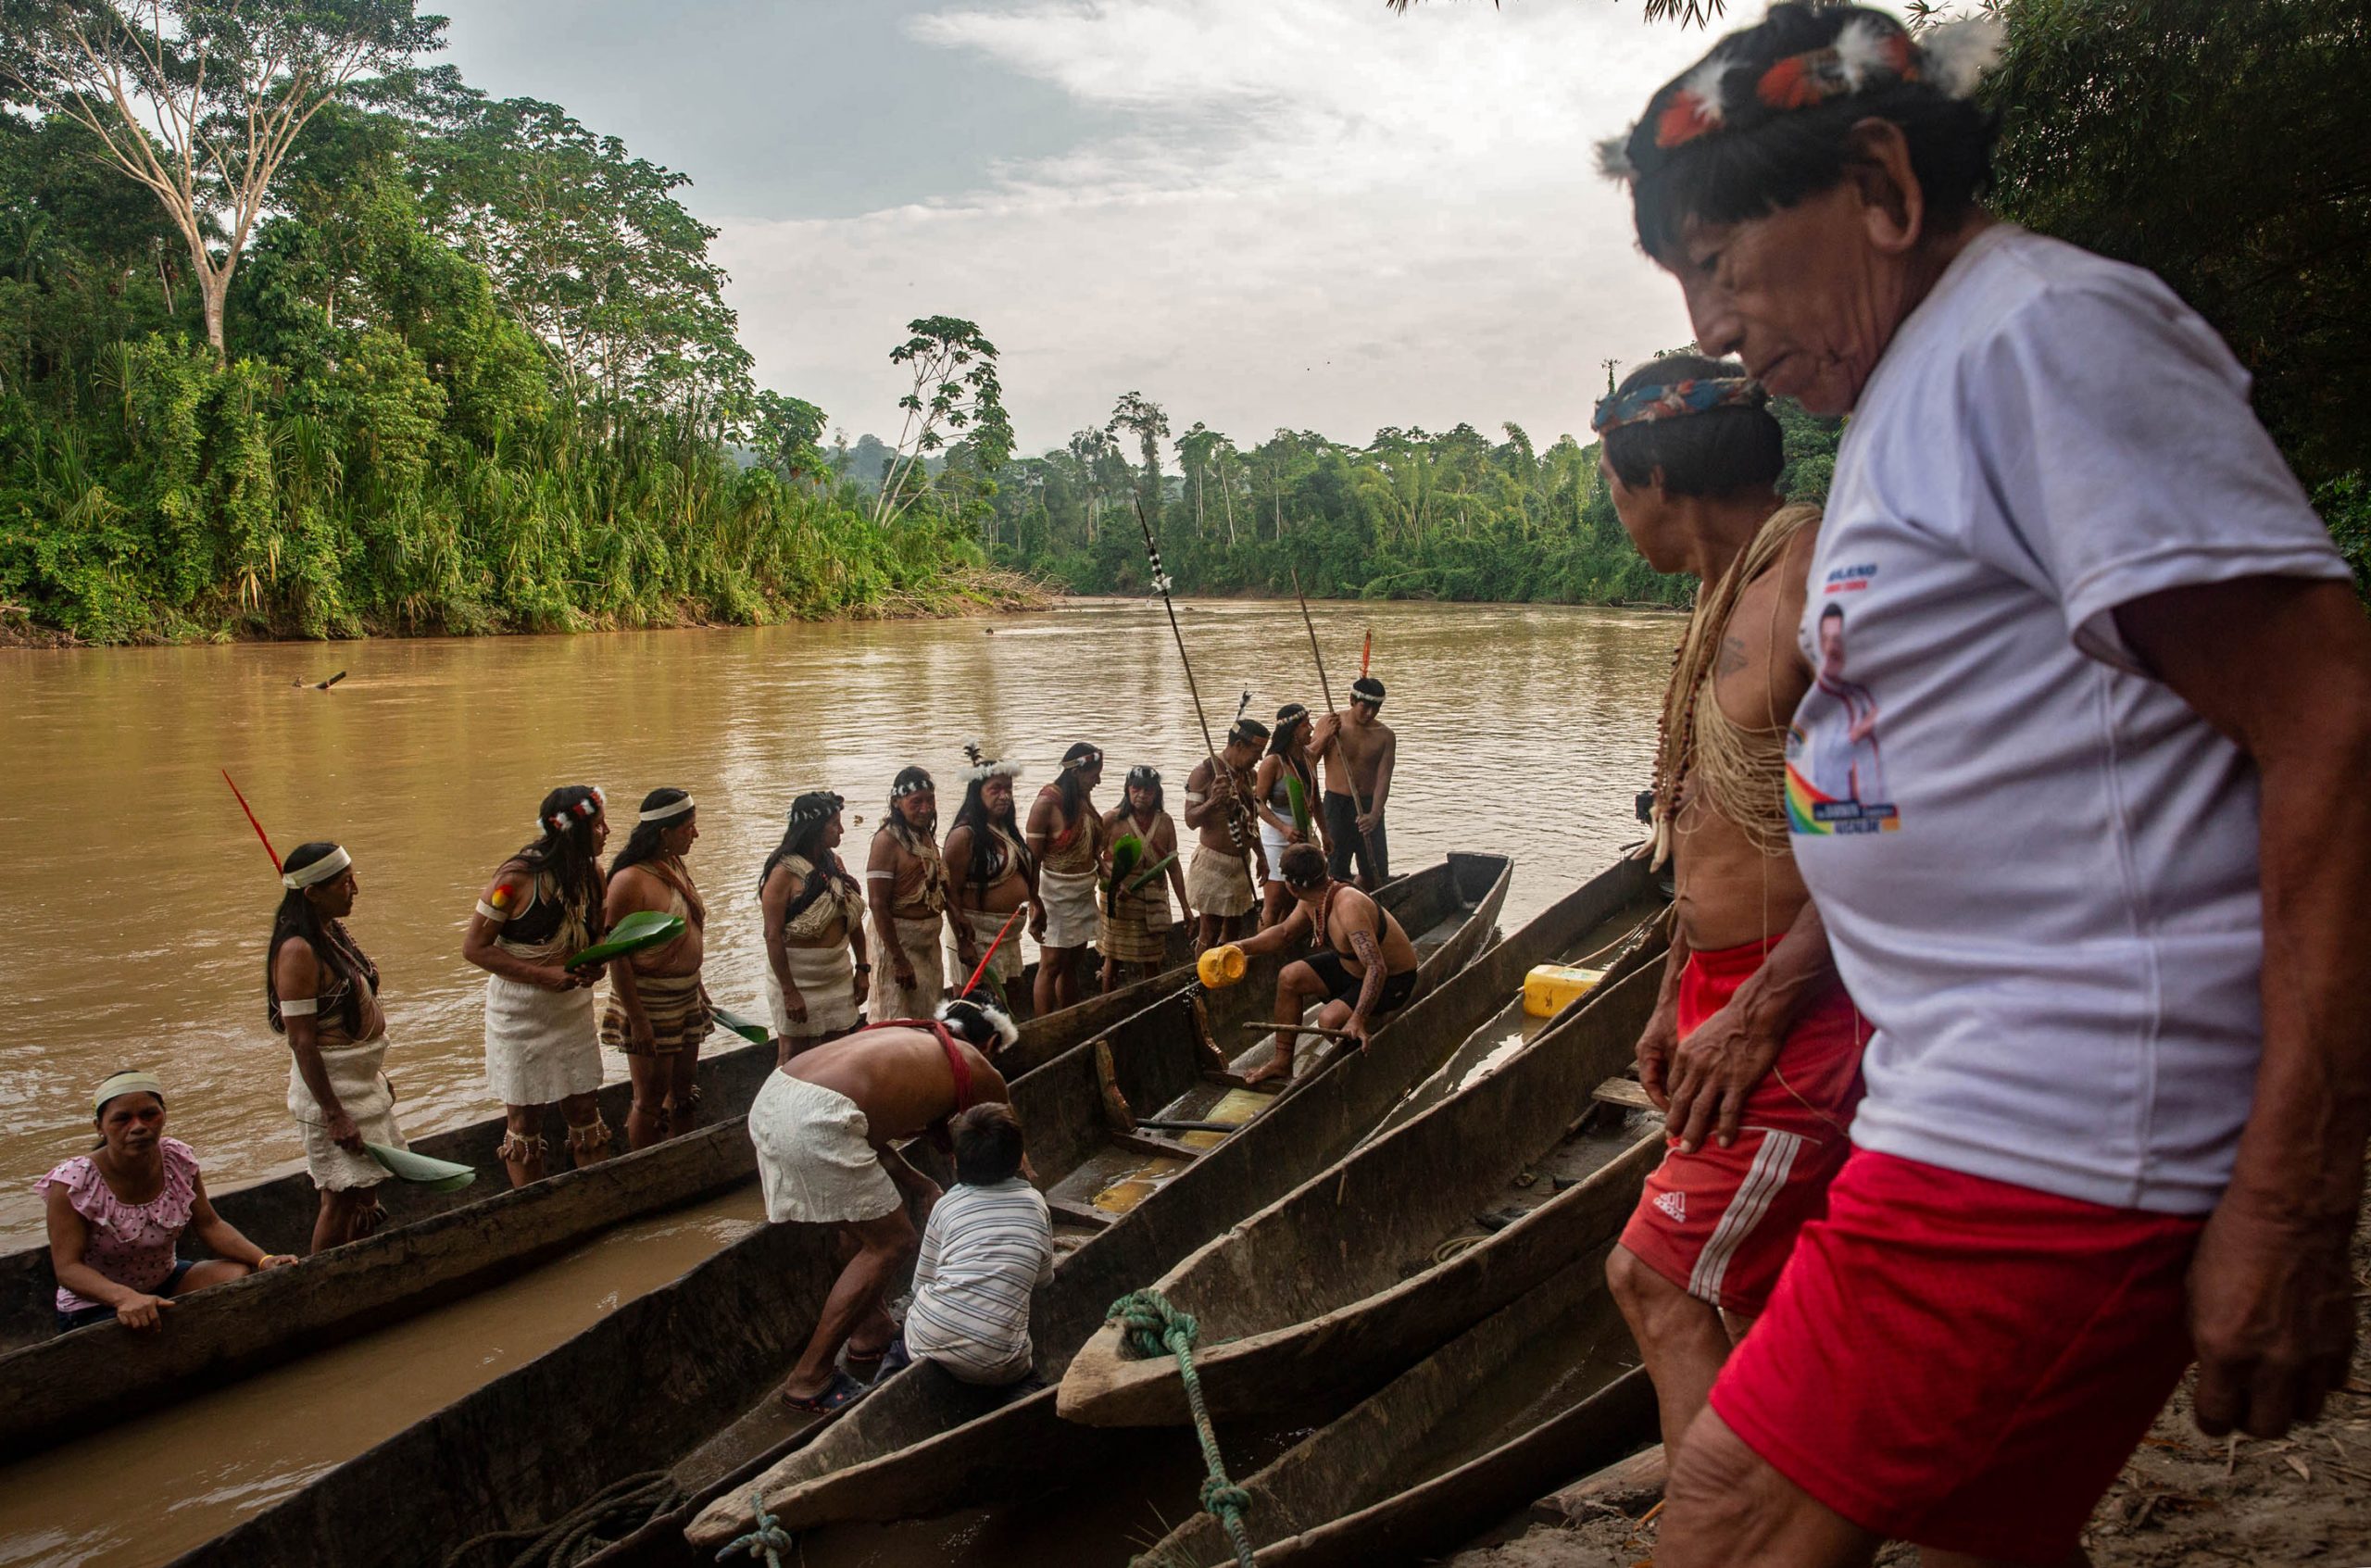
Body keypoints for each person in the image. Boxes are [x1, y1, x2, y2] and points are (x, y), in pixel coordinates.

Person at [1599, 9, 2371, 1565]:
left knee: (1725, 1520)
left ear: (1884, 185)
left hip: (2056, 1126)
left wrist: (2298, 1190)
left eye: (1722, 263)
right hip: (1969, 1097)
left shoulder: (2041, 340)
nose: (1715, 326)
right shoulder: (1916, 390)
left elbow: (2330, 719)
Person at [1587, 354, 1867, 1470]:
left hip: (1801, 1000)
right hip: (1723, 987)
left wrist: (1755, 1011)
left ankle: (1718, 1529)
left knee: (1652, 1278)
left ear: (1656, 480)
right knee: (1761, 1291)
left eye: (1614, 489)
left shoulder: (1811, 591)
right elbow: (1706, 821)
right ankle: (1789, 1500)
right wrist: (1674, 989)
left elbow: (1882, 845)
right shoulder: (1718, 598)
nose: (1618, 516)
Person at [746, 992, 1020, 1411]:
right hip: (817, 1119)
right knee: (892, 1242)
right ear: (991, 1044)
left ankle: (870, 1331)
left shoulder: (907, 1036)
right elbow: (1012, 1156)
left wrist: (922, 1185)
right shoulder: (979, 1068)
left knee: (860, 1227)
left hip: (774, 1099)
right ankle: (809, 1378)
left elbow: (865, 1132)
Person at [41, 1072, 295, 1333]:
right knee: (145, 1327)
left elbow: (209, 1224)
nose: (138, 1126)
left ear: (164, 1114)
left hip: (165, 1279)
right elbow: (68, 1268)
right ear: (99, 1127)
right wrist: (124, 1298)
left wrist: (263, 1259)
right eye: (122, 1119)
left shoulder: (176, 1158)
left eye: (149, 1114)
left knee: (237, 1275)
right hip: (96, 1304)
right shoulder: (75, 1182)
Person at [462, 784, 613, 1186]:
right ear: (573, 832)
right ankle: (534, 1204)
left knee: (585, 1110)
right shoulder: (512, 881)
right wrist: (544, 975)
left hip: (571, 1009)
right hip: (519, 1012)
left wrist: (597, 962)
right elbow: (474, 948)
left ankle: (597, 1197)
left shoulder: (594, 875)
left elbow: (599, 933)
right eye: (599, 825)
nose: (607, 832)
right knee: (525, 1120)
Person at [265, 839, 409, 1253]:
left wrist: (374, 1076)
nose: (355, 889)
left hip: (359, 1082)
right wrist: (334, 1114)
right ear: (313, 893)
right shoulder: (297, 950)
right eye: (345, 882)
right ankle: (323, 1278)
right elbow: (301, 1040)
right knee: (340, 1196)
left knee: (365, 1193)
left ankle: (356, 1265)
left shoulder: (330, 932)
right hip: (332, 1092)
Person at [890, 1102, 1053, 1389]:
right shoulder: (1036, 1205)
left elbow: (921, 1285)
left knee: (898, 1348)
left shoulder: (946, 1206)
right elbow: (1043, 1279)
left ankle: (887, 1382)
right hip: (1000, 1363)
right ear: (1019, 1161)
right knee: (1026, 1376)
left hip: (928, 1339)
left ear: (955, 1161)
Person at [1235, 844, 1420, 1086]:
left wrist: (1358, 1018)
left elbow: (1377, 968)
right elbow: (1284, 933)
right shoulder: (1313, 897)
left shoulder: (1348, 906)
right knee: (1290, 977)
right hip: (1351, 968)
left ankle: (1367, 1066)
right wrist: (1240, 947)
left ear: (1291, 886)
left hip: (1393, 980)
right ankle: (1281, 1062)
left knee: (1329, 1021)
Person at [600, 789, 712, 1150]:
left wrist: (699, 988)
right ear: (664, 833)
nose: (695, 834)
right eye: (688, 828)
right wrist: (638, 1019)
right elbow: (618, 956)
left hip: (685, 995)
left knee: (683, 1090)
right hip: (649, 1001)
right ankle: (648, 1166)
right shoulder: (629, 880)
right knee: (649, 1097)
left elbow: (688, 931)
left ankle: (684, 1155)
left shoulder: (674, 865)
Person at [760, 791, 871, 1063]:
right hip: (799, 980)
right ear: (814, 829)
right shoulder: (782, 873)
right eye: (835, 824)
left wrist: (863, 968)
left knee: (838, 1053)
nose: (841, 830)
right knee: (792, 1055)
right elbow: (772, 936)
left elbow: (852, 919)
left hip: (836, 975)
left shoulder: (834, 863)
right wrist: (789, 992)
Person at [944, 746, 1036, 1015]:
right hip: (977, 938)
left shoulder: (1005, 829)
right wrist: (964, 942)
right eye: (995, 789)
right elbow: (950, 893)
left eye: (1008, 789)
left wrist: (1036, 905)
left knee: (1010, 999)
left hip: (1008, 936)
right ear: (978, 792)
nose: (1004, 796)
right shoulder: (964, 835)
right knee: (977, 1009)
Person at [867, 767, 950, 1025]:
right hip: (898, 945)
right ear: (897, 802)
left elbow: (939, 886)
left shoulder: (923, 835)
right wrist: (899, 960)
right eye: (916, 802)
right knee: (895, 1019)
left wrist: (958, 919)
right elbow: (877, 904)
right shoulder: (886, 841)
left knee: (928, 1014)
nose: (926, 809)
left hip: (928, 944)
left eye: (930, 801)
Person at [1026, 743, 1106, 1016]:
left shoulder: (1082, 798)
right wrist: (1035, 904)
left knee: (1073, 962)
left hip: (1082, 892)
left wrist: (1102, 867)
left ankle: (1070, 1018)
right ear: (1076, 773)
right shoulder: (1046, 804)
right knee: (1051, 965)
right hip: (1055, 895)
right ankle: (1045, 1025)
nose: (1098, 781)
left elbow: (1090, 846)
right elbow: (1032, 862)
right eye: (1094, 775)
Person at [1098, 764, 1191, 990]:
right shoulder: (1111, 820)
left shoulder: (1165, 822)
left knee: (1152, 958)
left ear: (1156, 793)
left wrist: (1186, 908)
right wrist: (1114, 884)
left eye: (1148, 790)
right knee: (1113, 957)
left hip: (1153, 899)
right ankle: (1107, 1000)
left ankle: (1152, 996)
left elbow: (1174, 867)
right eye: (1136, 788)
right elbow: (1094, 859)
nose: (1141, 795)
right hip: (1119, 901)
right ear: (1127, 789)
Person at [1184, 717, 1269, 949]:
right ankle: (1204, 972)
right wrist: (1213, 801)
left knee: (1233, 930)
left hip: (1241, 864)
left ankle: (1223, 969)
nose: (1259, 758)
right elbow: (1190, 821)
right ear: (1239, 745)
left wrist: (1261, 856)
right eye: (1256, 752)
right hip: (1213, 865)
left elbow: (1251, 819)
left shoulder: (1250, 775)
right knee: (1209, 932)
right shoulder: (1204, 773)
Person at [1311, 675, 1395, 889]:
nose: (1370, 713)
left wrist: (1375, 814)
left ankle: (1362, 899)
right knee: (1335, 869)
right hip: (1337, 805)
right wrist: (1326, 736)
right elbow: (1309, 760)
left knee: (1374, 870)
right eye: (1365, 707)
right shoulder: (1330, 723)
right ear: (1352, 701)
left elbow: (1384, 777)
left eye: (1376, 708)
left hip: (1369, 805)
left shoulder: (1385, 736)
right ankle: (1337, 902)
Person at [1251, 703, 1325, 929]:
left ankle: (1283, 943)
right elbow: (1258, 804)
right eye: (1305, 725)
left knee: (1295, 902)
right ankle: (1262, 947)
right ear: (1292, 731)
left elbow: (1315, 799)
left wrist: (1326, 833)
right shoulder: (1273, 762)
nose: (1311, 729)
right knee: (1274, 903)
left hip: (1304, 836)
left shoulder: (1308, 757)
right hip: (1278, 838)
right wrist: (1283, 828)